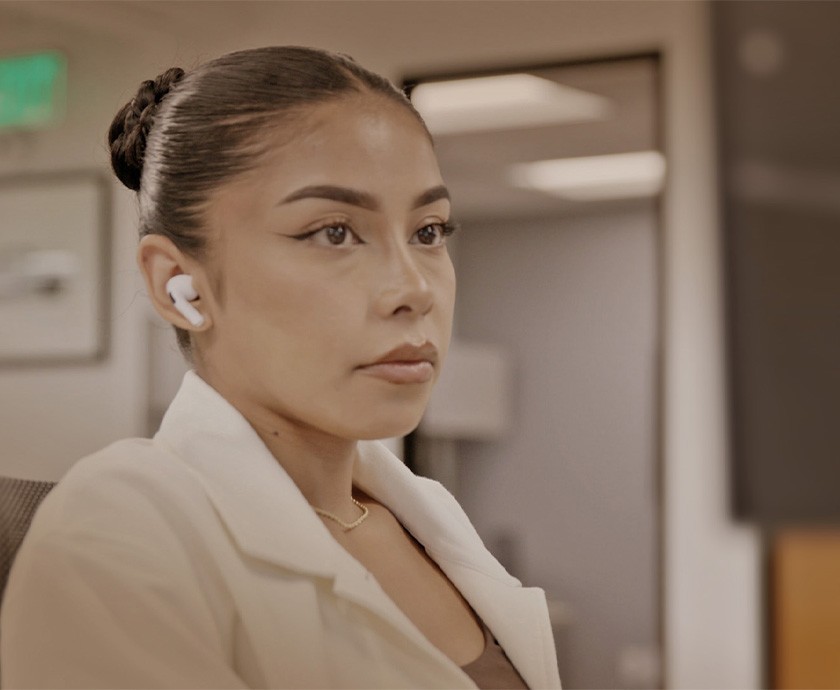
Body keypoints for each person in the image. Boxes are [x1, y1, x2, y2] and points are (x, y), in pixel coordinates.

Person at [0, 46, 561, 689]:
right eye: (333, 232)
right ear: (179, 283)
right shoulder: (118, 533)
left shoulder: (420, 512)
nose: (415, 290)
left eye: (428, 231)